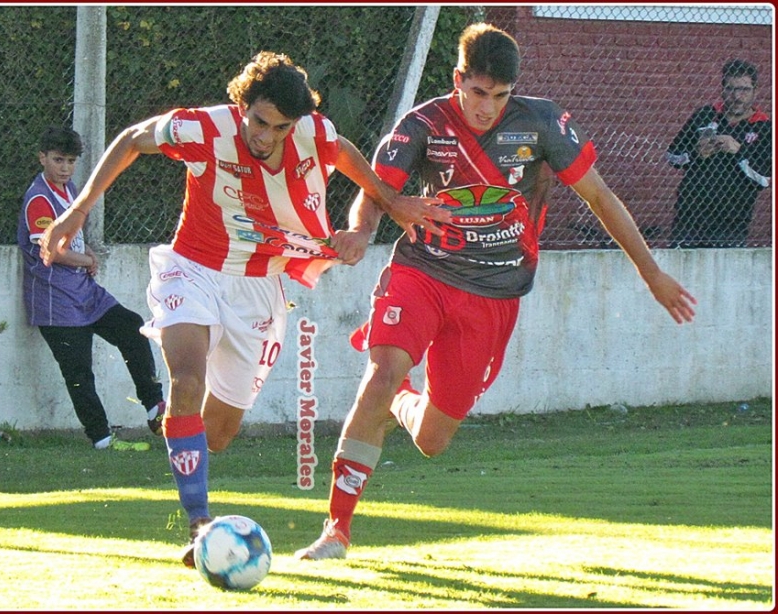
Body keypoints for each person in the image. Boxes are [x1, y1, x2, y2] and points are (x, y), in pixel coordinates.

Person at [295, 22, 698, 561]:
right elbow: (377, 192)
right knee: (384, 368)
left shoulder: (543, 122)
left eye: (500, 96)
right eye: (478, 93)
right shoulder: (422, 125)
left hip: (495, 294)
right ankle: (336, 531)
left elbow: (600, 197)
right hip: (424, 272)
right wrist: (362, 233)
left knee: (433, 440)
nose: (487, 107)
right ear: (458, 78)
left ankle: (399, 399)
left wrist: (651, 272)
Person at [36, 52, 449, 567]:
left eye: (278, 127)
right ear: (243, 105)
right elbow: (132, 140)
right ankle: (198, 524)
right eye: (258, 120)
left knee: (220, 435)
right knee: (185, 382)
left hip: (261, 286)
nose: (265, 135)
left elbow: (341, 151)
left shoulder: (312, 134)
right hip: (193, 268)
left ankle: (189, 464)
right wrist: (76, 212)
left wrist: (389, 201)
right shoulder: (206, 127)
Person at [18, 125, 166, 451]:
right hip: (55, 301)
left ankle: (154, 405)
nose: (65, 168)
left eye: (70, 161)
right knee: (79, 373)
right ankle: (101, 438)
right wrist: (85, 260)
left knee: (131, 326)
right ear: (42, 157)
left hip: (84, 292)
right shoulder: (38, 199)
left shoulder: (69, 190)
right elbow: (51, 250)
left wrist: (85, 256)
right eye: (58, 160)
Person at [666, 59, 772, 248]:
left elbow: (764, 178)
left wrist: (739, 151)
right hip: (691, 214)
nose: (737, 96)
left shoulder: (764, 126)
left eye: (744, 90)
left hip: (732, 218)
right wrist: (695, 153)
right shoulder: (705, 115)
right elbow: (672, 155)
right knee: (680, 271)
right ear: (722, 90)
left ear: (755, 92)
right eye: (731, 89)